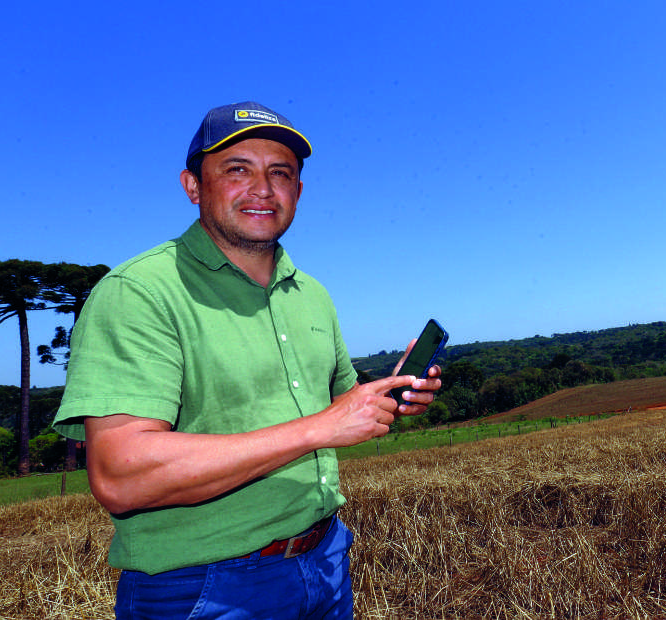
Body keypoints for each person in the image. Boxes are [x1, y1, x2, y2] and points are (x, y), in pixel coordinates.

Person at [52, 101, 442, 619]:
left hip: (326, 559)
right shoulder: (138, 293)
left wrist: (385, 396)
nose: (262, 189)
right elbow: (122, 477)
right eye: (237, 170)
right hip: (202, 586)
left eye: (280, 173)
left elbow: (339, 405)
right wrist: (319, 428)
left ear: (298, 190)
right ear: (193, 186)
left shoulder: (312, 295)